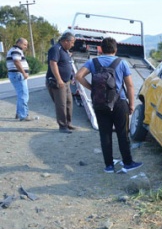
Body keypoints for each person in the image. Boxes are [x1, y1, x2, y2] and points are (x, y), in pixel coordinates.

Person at [75, 37, 142, 173]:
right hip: (119, 103)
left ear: (100, 49)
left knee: (105, 134)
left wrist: (91, 88)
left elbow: (78, 76)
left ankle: (109, 166)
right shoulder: (121, 63)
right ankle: (128, 163)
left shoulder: (92, 62)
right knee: (122, 134)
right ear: (115, 49)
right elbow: (129, 85)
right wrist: (131, 104)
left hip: (100, 103)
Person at [46, 32, 76, 133]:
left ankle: (68, 123)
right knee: (61, 105)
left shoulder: (65, 51)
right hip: (57, 82)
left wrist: (71, 77)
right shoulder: (55, 49)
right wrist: (59, 79)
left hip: (66, 82)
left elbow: (67, 64)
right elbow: (53, 64)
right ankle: (63, 126)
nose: (73, 45)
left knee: (69, 103)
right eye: (72, 42)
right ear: (65, 41)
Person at [7, 38, 32, 121]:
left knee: (20, 95)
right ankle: (23, 115)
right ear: (18, 43)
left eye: (26, 45)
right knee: (24, 95)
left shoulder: (14, 50)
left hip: (16, 74)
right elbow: (16, 61)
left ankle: (19, 113)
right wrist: (23, 73)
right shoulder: (16, 50)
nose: (26, 47)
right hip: (18, 74)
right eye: (24, 44)